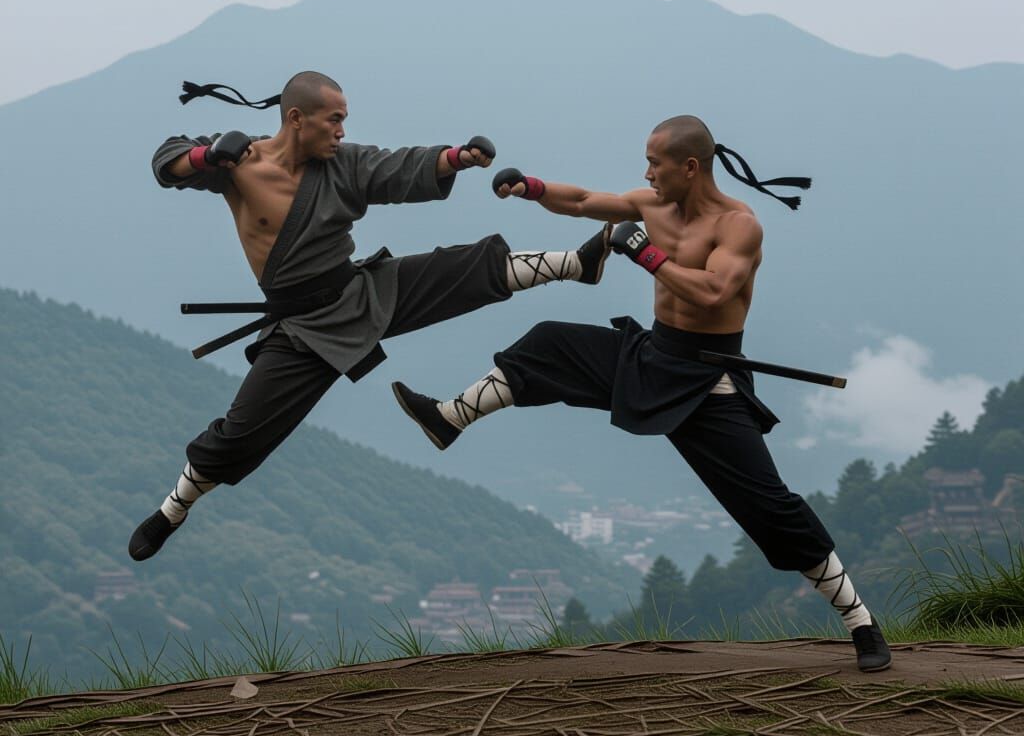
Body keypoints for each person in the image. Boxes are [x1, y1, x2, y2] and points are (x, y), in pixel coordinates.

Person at [391, 114, 892, 672]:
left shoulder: (739, 225)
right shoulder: (653, 207)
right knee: (547, 344)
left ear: (690, 167)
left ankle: (862, 624)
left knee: (770, 507)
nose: (647, 172)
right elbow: (583, 201)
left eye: (656, 163)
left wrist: (645, 254)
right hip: (654, 355)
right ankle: (450, 417)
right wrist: (530, 189)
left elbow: (713, 291)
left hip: (707, 379)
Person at [128, 71, 612, 561]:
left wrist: (455, 159)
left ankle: (578, 263)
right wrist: (205, 156)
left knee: (463, 269)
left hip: (360, 290)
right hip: (302, 330)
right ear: (296, 119)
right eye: (333, 120)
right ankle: (172, 511)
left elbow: (395, 167)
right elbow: (166, 160)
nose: (341, 131)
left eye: (345, 121)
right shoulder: (238, 161)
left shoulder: (345, 163)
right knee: (239, 435)